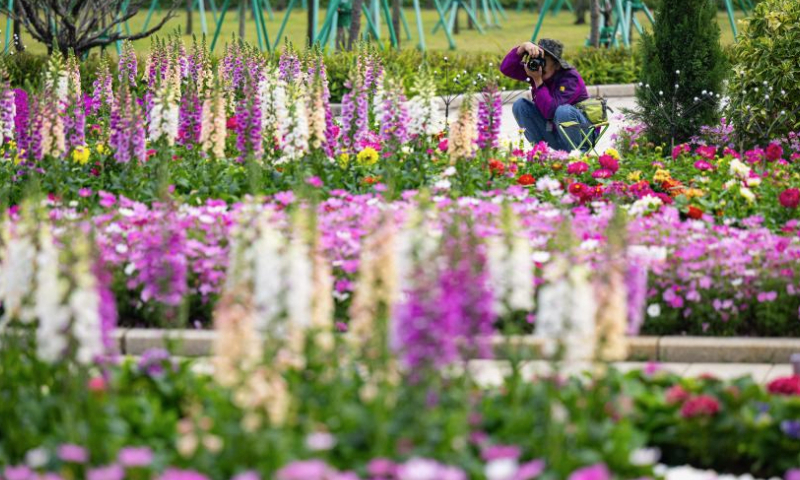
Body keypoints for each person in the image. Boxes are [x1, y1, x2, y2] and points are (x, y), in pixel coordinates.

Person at [499, 38, 595, 152]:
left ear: (556, 64)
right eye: (536, 59)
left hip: (581, 136)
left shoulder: (570, 78)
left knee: (563, 111)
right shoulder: (536, 71)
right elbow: (506, 68)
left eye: (543, 60)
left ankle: (579, 156)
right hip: (554, 133)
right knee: (520, 106)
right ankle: (540, 152)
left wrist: (538, 81)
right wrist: (522, 48)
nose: (539, 64)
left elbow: (552, 112)